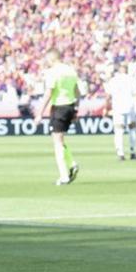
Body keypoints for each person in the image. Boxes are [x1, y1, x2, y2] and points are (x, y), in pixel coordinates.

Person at [33, 50, 82, 185]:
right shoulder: (70, 71)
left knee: (57, 142)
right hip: (70, 106)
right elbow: (77, 92)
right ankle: (72, 164)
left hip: (59, 108)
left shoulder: (52, 72)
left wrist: (39, 113)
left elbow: (49, 93)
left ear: (51, 59)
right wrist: (76, 110)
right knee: (60, 139)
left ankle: (64, 175)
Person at [103, 62, 136, 160]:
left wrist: (106, 108)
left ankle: (120, 154)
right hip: (129, 107)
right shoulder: (131, 79)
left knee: (118, 130)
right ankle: (133, 152)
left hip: (117, 107)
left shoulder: (113, 80)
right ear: (126, 70)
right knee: (132, 129)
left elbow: (108, 97)